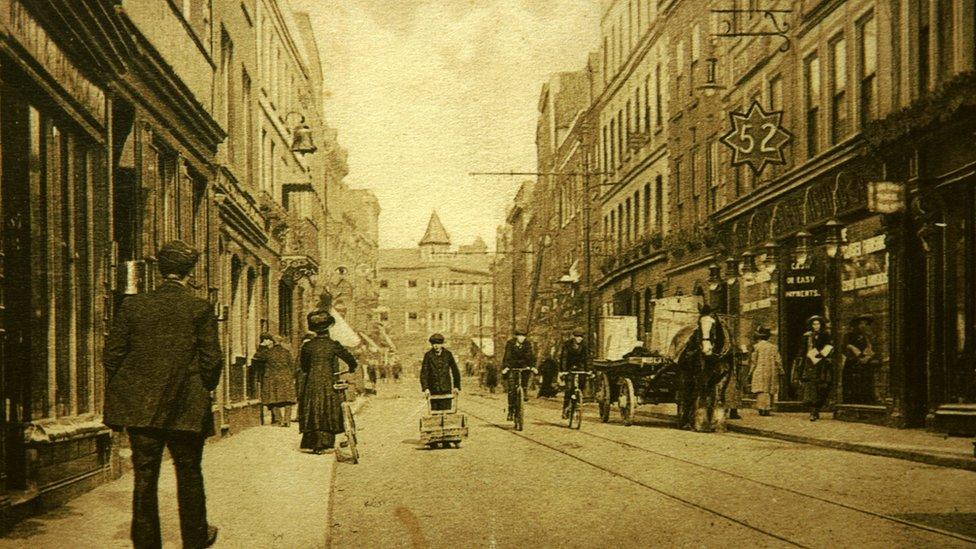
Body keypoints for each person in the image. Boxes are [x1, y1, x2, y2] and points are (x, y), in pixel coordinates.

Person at [103, 240, 221, 549]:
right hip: (186, 406)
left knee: (144, 478)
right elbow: (213, 361)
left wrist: (133, 387)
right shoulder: (199, 307)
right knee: (189, 473)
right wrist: (199, 388)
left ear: (159, 269)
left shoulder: (133, 306)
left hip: (140, 408)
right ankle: (195, 539)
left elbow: (111, 356)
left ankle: (146, 543)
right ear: (189, 272)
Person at [297, 310, 358, 453]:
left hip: (311, 382)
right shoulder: (333, 345)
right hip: (329, 381)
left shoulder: (307, 346)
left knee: (312, 409)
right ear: (328, 328)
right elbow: (350, 359)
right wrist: (352, 368)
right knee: (328, 408)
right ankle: (326, 442)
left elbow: (304, 366)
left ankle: (313, 443)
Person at [252, 333, 297, 427]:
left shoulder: (268, 352)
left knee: (273, 400)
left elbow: (256, 357)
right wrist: (291, 377)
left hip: (272, 378)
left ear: (272, 342)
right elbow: (292, 365)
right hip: (286, 378)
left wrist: (261, 346)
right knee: (288, 400)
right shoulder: (286, 352)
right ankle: (287, 420)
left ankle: (279, 420)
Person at [795, 315, 834, 421]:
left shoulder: (825, 335)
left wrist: (823, 354)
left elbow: (829, 347)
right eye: (814, 324)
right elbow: (802, 350)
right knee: (811, 387)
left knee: (821, 386)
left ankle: (817, 408)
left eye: (818, 324)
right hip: (809, 364)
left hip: (821, 364)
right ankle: (813, 411)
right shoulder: (807, 336)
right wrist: (799, 360)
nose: (816, 326)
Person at [420, 333, 462, 410]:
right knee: (435, 415)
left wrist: (456, 386)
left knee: (446, 413)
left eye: (438, 344)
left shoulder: (448, 354)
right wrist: (426, 388)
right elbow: (424, 373)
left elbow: (455, 371)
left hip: (446, 389)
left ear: (442, 344)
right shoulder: (428, 355)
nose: (436, 346)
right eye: (434, 344)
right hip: (433, 390)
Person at [502, 329, 536, 420]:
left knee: (526, 376)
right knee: (511, 390)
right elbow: (507, 356)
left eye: (523, 336)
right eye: (519, 336)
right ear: (516, 336)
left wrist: (532, 366)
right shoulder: (510, 343)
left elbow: (530, 356)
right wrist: (506, 367)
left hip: (524, 366)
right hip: (512, 367)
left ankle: (524, 390)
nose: (521, 338)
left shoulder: (527, 344)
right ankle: (510, 411)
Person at [749, 327, 783, 416]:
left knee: (761, 390)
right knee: (769, 389)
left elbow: (753, 361)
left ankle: (761, 408)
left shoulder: (756, 347)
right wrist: (780, 370)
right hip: (771, 370)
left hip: (760, 370)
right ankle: (768, 408)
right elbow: (778, 360)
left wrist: (750, 372)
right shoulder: (774, 347)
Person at [843, 315, 876, 404]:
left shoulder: (868, 337)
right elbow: (845, 348)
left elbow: (872, 349)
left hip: (866, 364)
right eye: (861, 323)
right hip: (853, 364)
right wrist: (855, 352)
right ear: (856, 325)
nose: (863, 325)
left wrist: (868, 357)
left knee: (866, 384)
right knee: (853, 385)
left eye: (865, 323)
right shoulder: (848, 335)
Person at [560, 329, 589, 417]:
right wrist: (563, 370)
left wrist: (589, 370)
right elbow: (564, 358)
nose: (579, 339)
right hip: (569, 367)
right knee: (569, 389)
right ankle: (565, 409)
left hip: (580, 367)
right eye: (577, 337)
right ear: (574, 337)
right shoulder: (567, 345)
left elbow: (587, 358)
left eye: (581, 337)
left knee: (582, 385)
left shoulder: (584, 345)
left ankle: (578, 402)